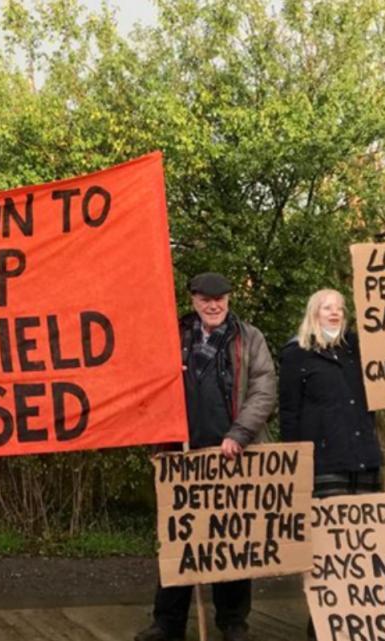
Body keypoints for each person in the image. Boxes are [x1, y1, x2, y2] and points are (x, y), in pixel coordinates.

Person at [135, 272, 277, 641]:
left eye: (219, 299)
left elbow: (264, 388)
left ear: (228, 300)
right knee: (178, 539)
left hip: (234, 454)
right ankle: (168, 623)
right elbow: (148, 384)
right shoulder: (173, 335)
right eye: (205, 299)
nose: (213, 306)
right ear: (193, 300)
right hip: (181, 454)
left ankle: (233, 622)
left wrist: (239, 434)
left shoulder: (250, 337)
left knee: (233, 538)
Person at [279, 289, 382, 499]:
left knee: (365, 518)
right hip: (324, 460)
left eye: (339, 308)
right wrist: (294, 458)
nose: (335, 313)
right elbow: (289, 412)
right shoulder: (296, 354)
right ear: (314, 313)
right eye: (327, 308)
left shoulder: (360, 348)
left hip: (364, 457)